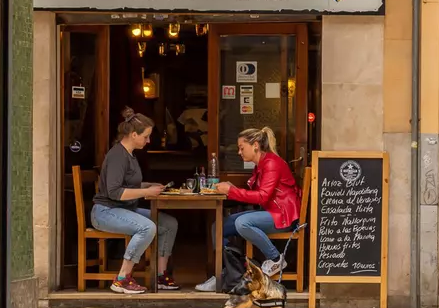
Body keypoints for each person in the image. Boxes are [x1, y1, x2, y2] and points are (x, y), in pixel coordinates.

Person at [195, 127, 302, 292]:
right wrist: (232, 189)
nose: (239, 152)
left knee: (242, 223)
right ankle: (225, 274)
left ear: (256, 145)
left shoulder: (272, 163)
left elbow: (262, 197)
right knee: (218, 227)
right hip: (270, 212)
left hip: (283, 215)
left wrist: (231, 191)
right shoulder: (261, 164)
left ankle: (275, 259)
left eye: (241, 147)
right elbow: (259, 194)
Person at [89, 108, 179, 295]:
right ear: (133, 134)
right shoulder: (117, 156)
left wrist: (150, 186)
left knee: (168, 223)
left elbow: (131, 184)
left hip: (123, 209)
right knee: (147, 227)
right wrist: (146, 192)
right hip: (106, 211)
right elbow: (115, 192)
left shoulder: (130, 154)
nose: (148, 141)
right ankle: (122, 279)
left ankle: (161, 276)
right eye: (145, 136)